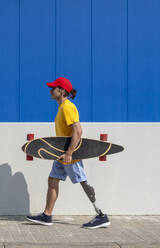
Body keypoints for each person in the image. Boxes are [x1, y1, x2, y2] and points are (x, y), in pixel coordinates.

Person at [26, 77, 111, 229]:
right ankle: (47, 215)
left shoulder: (68, 107)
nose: (51, 90)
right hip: (61, 154)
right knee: (52, 180)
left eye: (54, 88)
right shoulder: (61, 108)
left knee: (82, 181)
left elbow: (78, 131)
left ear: (62, 90)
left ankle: (101, 215)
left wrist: (70, 153)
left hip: (70, 155)